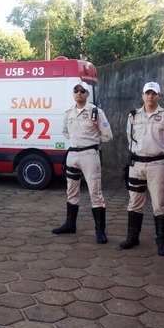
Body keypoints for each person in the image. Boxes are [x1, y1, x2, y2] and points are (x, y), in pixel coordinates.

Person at [120, 81, 164, 256]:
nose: (150, 96)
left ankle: (161, 241)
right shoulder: (133, 116)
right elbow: (129, 136)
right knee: (134, 202)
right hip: (136, 165)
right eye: (147, 93)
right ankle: (133, 237)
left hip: (157, 165)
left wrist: (158, 153)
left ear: (159, 96)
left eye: (154, 93)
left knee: (159, 204)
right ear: (142, 95)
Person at [52, 84, 113, 244]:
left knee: (95, 192)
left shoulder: (95, 112)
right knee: (71, 190)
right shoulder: (69, 113)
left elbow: (107, 135)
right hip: (72, 154)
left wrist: (91, 142)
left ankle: (100, 231)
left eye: (82, 91)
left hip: (89, 155)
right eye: (76, 90)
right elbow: (65, 131)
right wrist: (77, 142)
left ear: (87, 94)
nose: (78, 93)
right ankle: (70, 224)